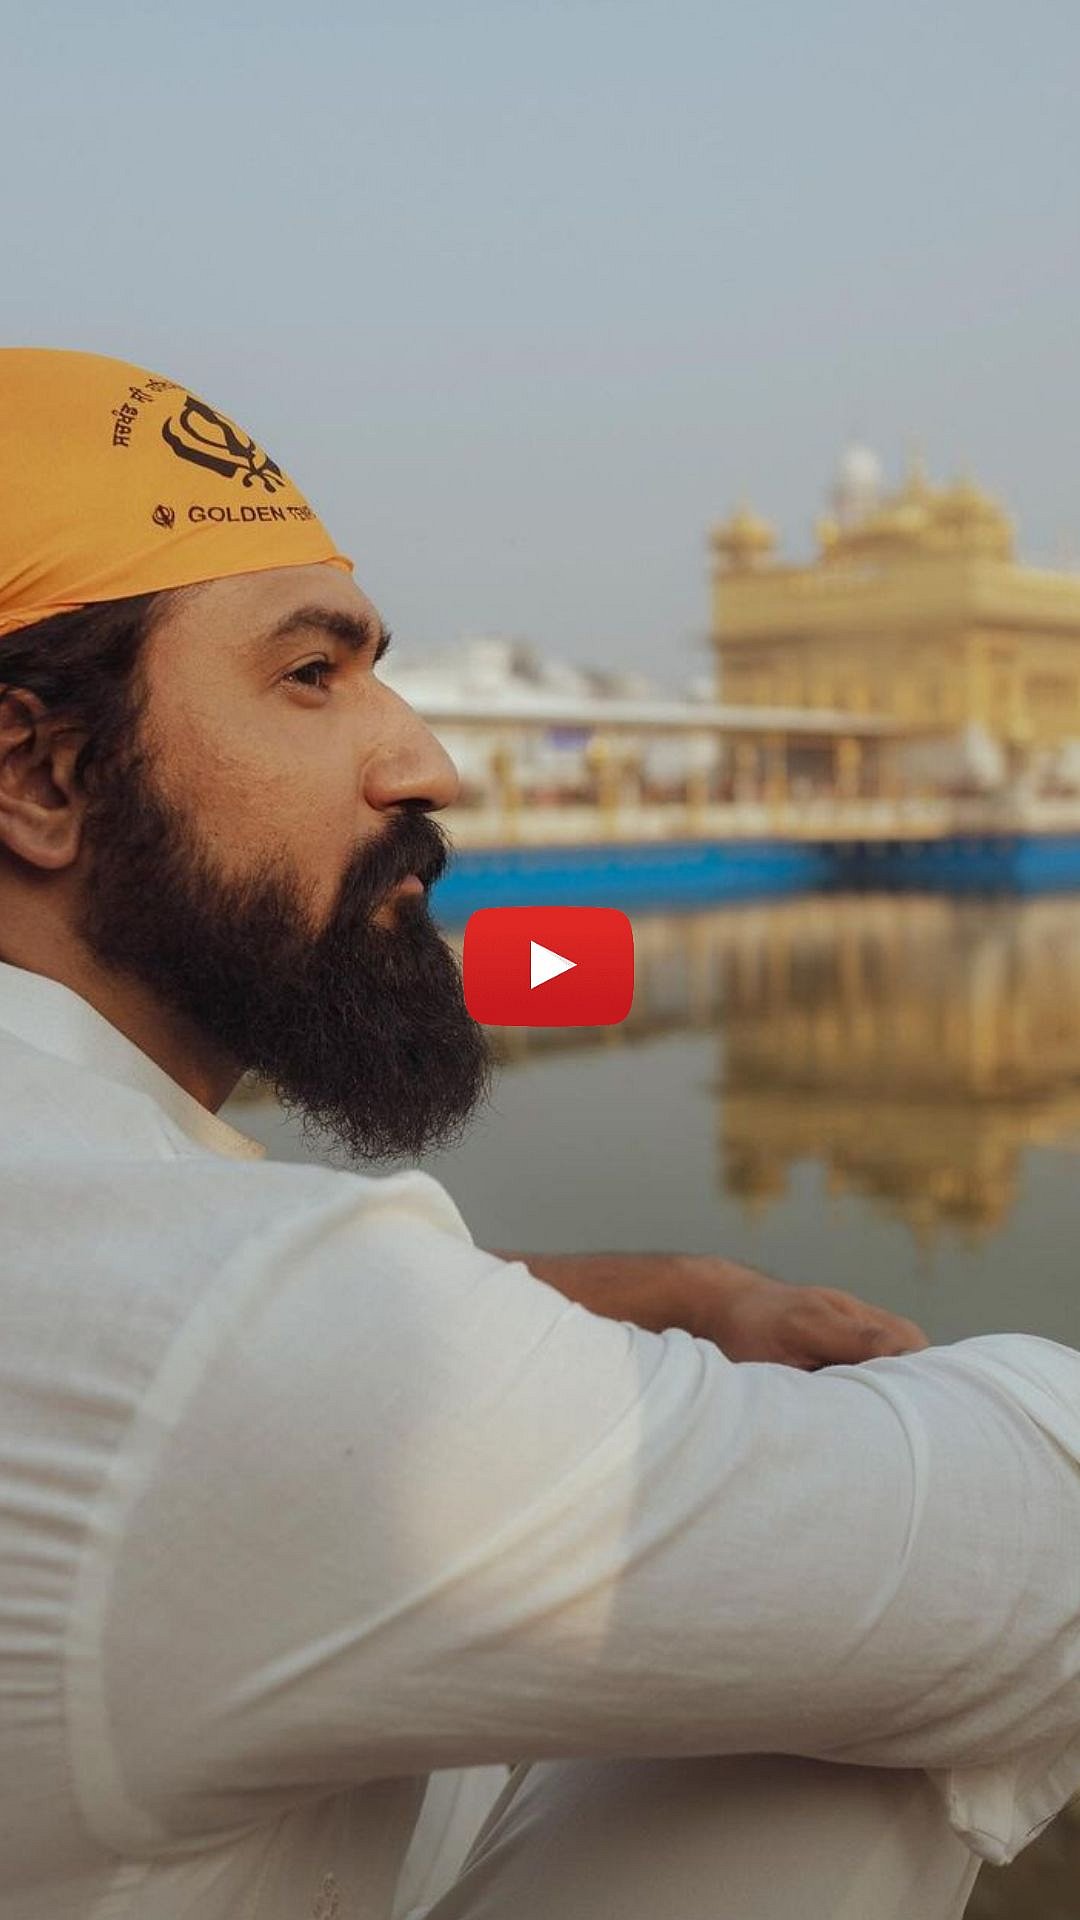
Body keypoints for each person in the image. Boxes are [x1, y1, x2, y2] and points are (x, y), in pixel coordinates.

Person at [0, 348, 1076, 1920]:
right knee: (898, 1677)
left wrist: (679, 1300)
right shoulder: (208, 1335)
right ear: (39, 772)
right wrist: (925, 1388)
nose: (424, 758)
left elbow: (180, 1357)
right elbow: (1037, 1547)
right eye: (312, 675)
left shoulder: (91, 1224)